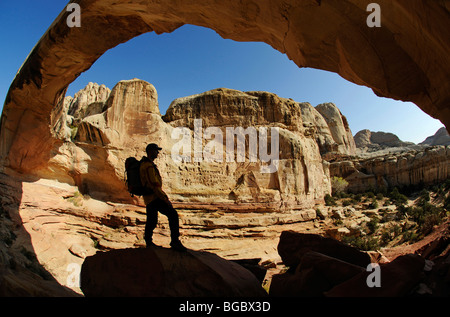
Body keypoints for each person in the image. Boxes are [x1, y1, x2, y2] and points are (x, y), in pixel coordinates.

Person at [140, 143, 186, 251]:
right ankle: (175, 241)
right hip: (154, 197)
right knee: (173, 215)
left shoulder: (145, 164)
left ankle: (149, 242)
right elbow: (154, 184)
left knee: (151, 220)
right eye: (156, 150)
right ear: (150, 151)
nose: (158, 153)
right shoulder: (148, 166)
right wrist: (165, 198)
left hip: (149, 198)